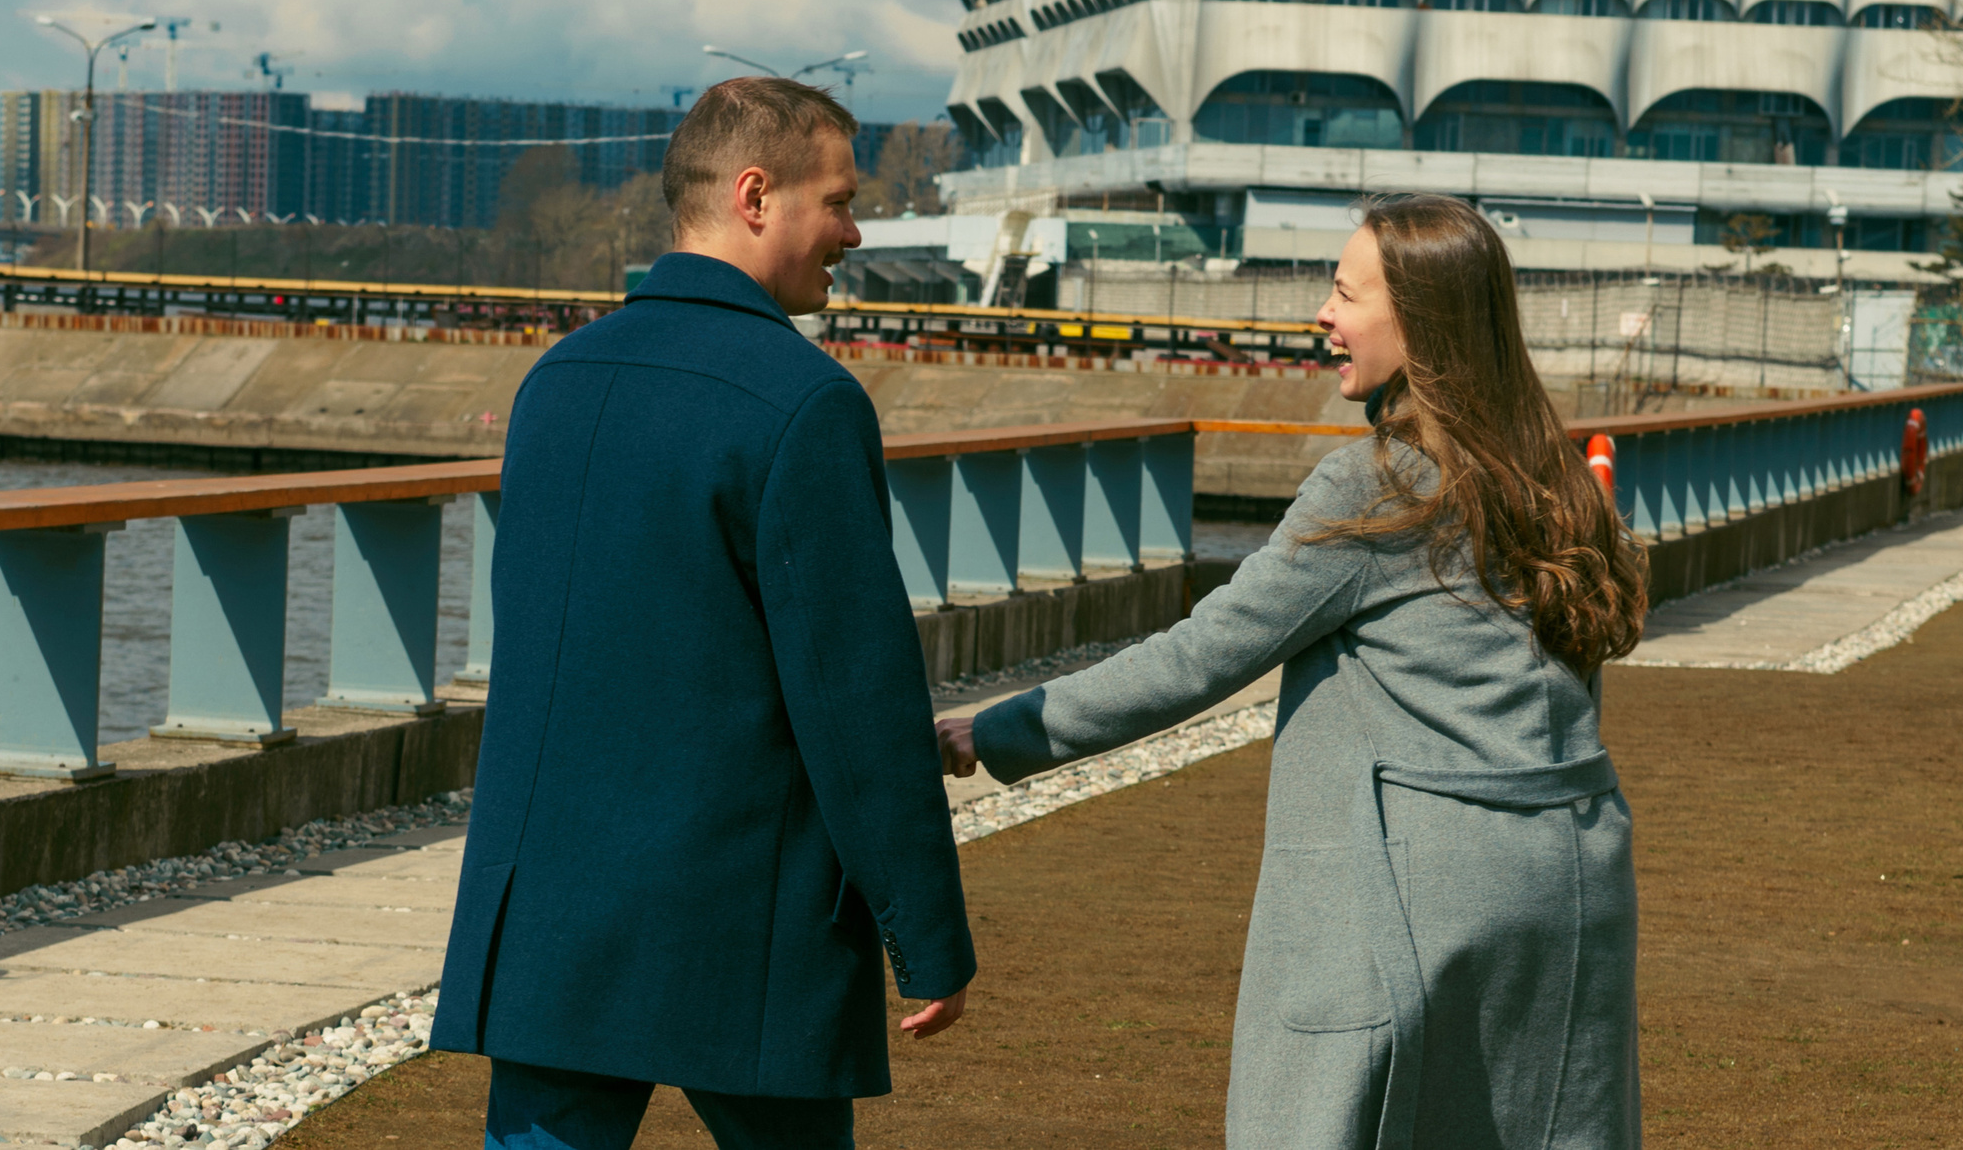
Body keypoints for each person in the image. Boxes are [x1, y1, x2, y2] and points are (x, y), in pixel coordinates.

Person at [942, 192, 1646, 1150]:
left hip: (1422, 892)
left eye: (1345, 292)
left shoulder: (1376, 487)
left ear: (1421, 322)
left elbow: (1204, 652)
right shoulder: (1556, 480)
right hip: (1569, 881)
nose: (1323, 312)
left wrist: (996, 727)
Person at [432, 76, 974, 1150]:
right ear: (757, 195)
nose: (854, 231)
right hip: (743, 911)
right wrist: (928, 937)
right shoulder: (804, 401)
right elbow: (853, 699)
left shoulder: (558, 381)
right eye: (840, 200)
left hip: (551, 908)